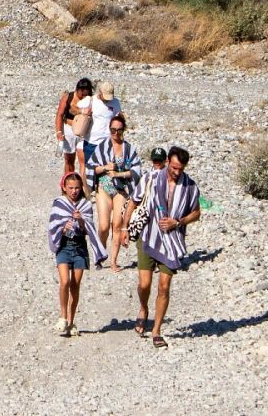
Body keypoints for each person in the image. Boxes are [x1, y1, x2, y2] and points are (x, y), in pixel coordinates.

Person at [135, 146, 201, 348]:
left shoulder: (190, 187)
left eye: (181, 168)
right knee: (145, 284)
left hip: (172, 241)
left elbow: (196, 212)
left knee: (164, 286)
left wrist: (179, 222)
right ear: (167, 163)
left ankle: (156, 330)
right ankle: (144, 308)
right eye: (174, 167)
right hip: (149, 235)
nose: (177, 172)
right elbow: (135, 200)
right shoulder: (152, 178)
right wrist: (123, 229)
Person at [48, 172, 106, 337]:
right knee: (64, 281)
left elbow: (89, 228)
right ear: (64, 188)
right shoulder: (59, 203)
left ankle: (72, 321)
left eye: (77, 188)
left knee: (75, 285)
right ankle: (63, 316)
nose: (74, 191)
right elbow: (53, 225)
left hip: (80, 246)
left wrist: (80, 221)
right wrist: (62, 229)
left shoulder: (86, 205)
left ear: (81, 188)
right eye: (70, 188)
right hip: (64, 246)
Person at [88, 114, 142, 270]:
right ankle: (100, 254)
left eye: (119, 130)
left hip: (121, 189)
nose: (116, 133)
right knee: (104, 225)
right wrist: (106, 167)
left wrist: (120, 174)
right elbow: (91, 167)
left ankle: (113, 261)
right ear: (109, 129)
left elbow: (136, 170)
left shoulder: (129, 149)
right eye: (113, 130)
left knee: (117, 224)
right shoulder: (102, 147)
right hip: (103, 188)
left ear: (123, 130)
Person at [54, 78, 93, 178]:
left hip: (84, 132)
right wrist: (59, 132)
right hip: (69, 130)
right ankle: (68, 183)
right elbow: (60, 115)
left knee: (83, 160)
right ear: (77, 89)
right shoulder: (68, 97)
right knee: (69, 160)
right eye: (82, 93)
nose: (84, 96)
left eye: (86, 94)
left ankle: (83, 186)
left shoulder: (91, 99)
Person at [84, 82, 121, 174]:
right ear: (100, 92)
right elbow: (75, 107)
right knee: (90, 170)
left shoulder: (115, 102)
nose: (107, 100)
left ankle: (101, 188)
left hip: (108, 142)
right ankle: (90, 188)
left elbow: (118, 119)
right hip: (92, 142)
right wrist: (84, 112)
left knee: (106, 170)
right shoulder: (91, 100)